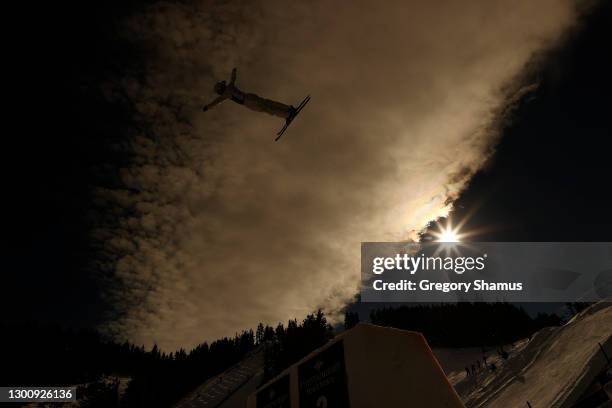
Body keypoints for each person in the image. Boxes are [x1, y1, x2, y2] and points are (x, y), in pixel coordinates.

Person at [203, 68, 296, 120]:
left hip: (248, 102)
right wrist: (234, 72)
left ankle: (287, 114)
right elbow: (233, 78)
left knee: (268, 109)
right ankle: (287, 109)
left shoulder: (225, 94)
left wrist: (207, 107)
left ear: (220, 90)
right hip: (249, 97)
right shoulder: (229, 87)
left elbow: (215, 102)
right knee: (268, 103)